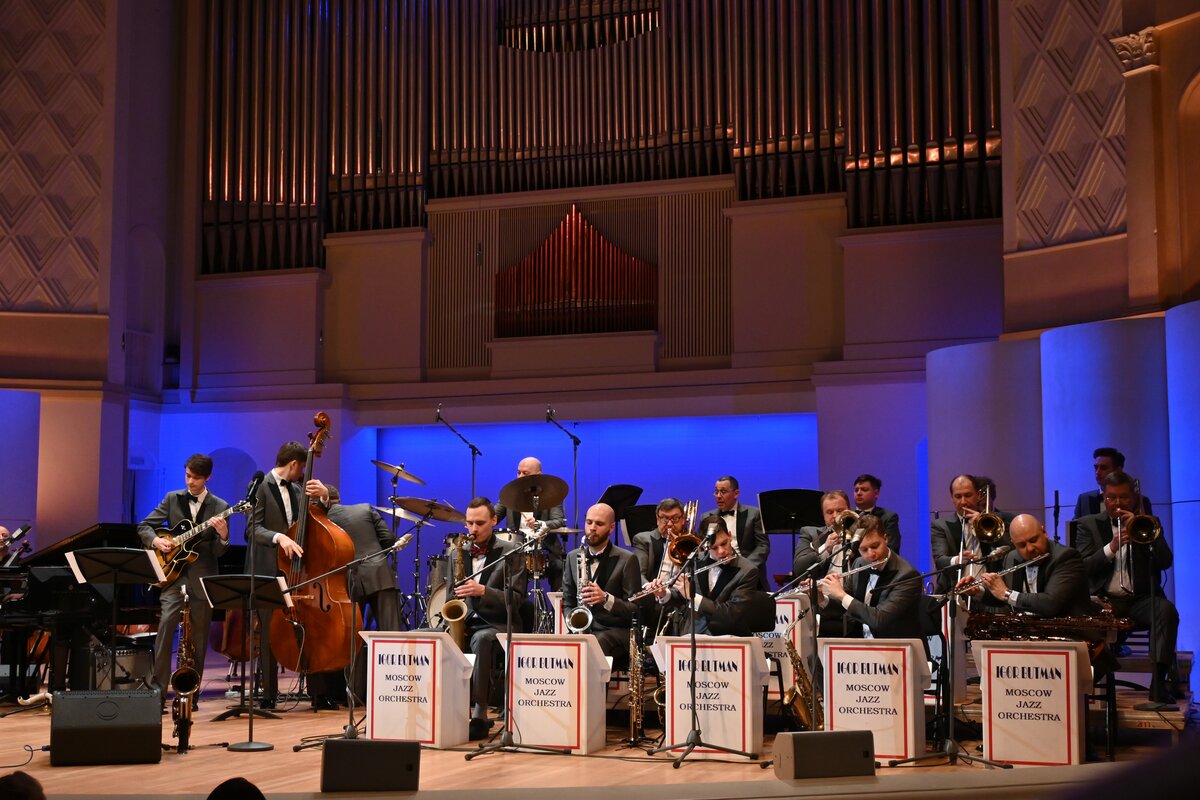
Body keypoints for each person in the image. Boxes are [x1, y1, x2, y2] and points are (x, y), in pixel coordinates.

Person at [1074, 471, 1180, 702]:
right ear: (1104, 497)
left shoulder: (1149, 523)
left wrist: (1145, 533)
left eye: (1123, 497)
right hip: (1104, 600)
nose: (1117, 503)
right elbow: (1082, 568)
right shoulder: (1088, 524)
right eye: (1111, 497)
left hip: (1140, 599)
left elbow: (1165, 562)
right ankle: (1084, 684)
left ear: (1134, 498)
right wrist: (1111, 547)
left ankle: (1158, 684)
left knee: (1166, 611)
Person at [137, 453, 230, 711]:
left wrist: (223, 535)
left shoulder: (221, 505)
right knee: (166, 627)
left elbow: (218, 552)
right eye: (187, 476)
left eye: (196, 478)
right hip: (173, 577)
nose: (190, 482)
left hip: (202, 578)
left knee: (198, 638)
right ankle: (157, 693)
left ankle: (191, 695)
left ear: (207, 477)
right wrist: (156, 541)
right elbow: (145, 526)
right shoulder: (172, 498)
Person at [246, 441, 329, 710]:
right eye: (302, 467)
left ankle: (318, 694)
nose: (302, 472)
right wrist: (279, 537)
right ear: (293, 464)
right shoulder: (260, 487)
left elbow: (317, 518)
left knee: (310, 628)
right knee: (269, 632)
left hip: (297, 571)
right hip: (269, 569)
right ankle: (269, 694)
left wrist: (324, 496)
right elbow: (252, 529)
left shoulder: (296, 489)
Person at [450, 497, 528, 739]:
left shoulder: (511, 552)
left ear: (494, 521)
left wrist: (484, 590)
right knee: (428, 637)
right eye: (469, 523)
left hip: (497, 622)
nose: (473, 529)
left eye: (480, 523)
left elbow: (516, 599)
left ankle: (480, 712)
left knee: (481, 640)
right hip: (465, 620)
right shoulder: (457, 552)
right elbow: (449, 596)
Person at [324, 484, 401, 702]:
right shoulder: (365, 508)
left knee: (353, 638)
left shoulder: (323, 520)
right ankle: (395, 691)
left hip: (347, 581)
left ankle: (355, 695)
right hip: (380, 574)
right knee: (392, 636)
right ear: (338, 497)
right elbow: (389, 539)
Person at [646, 515, 766, 636]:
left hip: (727, 638)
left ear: (729, 536)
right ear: (705, 546)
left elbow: (732, 614)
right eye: (714, 547)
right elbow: (681, 597)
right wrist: (663, 593)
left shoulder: (748, 571)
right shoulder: (694, 560)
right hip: (691, 635)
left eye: (724, 543)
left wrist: (693, 596)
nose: (721, 551)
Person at [954, 514, 1092, 617]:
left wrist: (1006, 593)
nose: (1030, 548)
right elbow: (1004, 598)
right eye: (1022, 545)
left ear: (1044, 532)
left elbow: (1051, 604)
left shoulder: (1066, 557)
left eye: (1034, 540)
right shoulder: (1012, 557)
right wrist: (978, 591)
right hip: (1033, 634)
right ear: (1014, 544)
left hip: (1071, 634)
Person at [818, 514, 922, 641]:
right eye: (864, 549)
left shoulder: (907, 576)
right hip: (862, 644)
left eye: (875, 546)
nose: (871, 554)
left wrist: (841, 594)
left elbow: (879, 620)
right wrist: (821, 598)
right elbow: (846, 607)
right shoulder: (859, 563)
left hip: (897, 646)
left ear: (885, 539)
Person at [560, 503, 641, 666]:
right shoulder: (572, 557)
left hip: (617, 631)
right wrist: (575, 624)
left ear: (611, 528)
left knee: (596, 643)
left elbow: (635, 610)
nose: (592, 528)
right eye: (589, 522)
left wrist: (606, 599)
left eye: (599, 523)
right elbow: (568, 600)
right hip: (585, 629)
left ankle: (591, 684)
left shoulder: (627, 559)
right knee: (561, 648)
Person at [929, 474, 1011, 595]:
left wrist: (984, 523)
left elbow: (1011, 549)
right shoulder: (940, 525)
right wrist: (957, 559)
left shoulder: (997, 520)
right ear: (952, 498)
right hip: (955, 592)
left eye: (968, 495)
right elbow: (940, 560)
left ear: (978, 495)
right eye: (958, 497)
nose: (963, 502)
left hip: (990, 592)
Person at [496, 456, 567, 591]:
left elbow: (559, 521)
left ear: (538, 475)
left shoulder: (552, 494)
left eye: (525, 473)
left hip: (545, 549)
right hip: (516, 548)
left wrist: (540, 523)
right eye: (518, 472)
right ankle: (513, 602)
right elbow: (494, 516)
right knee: (500, 568)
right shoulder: (510, 494)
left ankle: (559, 604)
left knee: (559, 567)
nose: (520, 477)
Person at [792, 490, 856, 636]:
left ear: (849, 510)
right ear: (823, 515)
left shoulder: (860, 534)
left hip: (852, 604)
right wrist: (825, 549)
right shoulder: (810, 533)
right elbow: (799, 568)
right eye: (829, 512)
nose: (835, 516)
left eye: (840, 510)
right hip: (821, 606)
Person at [702, 475, 770, 588]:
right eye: (716, 492)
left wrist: (746, 566)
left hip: (747, 571)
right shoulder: (706, 517)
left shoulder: (754, 514)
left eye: (723, 492)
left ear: (736, 493)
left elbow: (763, 546)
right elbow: (703, 549)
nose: (718, 496)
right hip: (717, 571)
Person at [1073, 447, 1154, 519]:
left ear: (1118, 470)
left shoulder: (1140, 500)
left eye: (1103, 468)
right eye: (1096, 467)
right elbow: (1075, 529)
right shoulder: (1084, 499)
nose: (1097, 472)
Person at [852, 473, 901, 553]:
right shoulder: (847, 516)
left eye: (864, 489)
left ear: (876, 493)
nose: (859, 493)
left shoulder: (888, 517)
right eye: (856, 490)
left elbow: (892, 549)